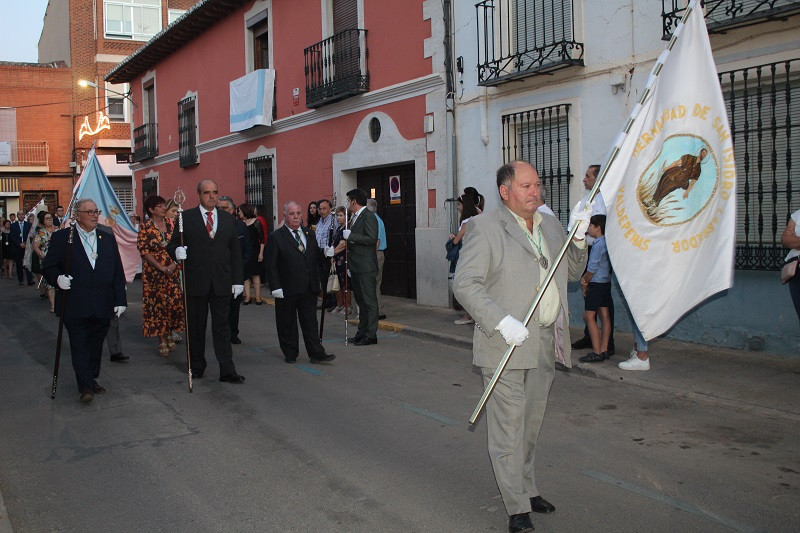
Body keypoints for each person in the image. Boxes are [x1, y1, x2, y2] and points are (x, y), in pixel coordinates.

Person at [453, 161, 589, 533]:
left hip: (542, 341)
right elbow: (465, 284)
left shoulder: (550, 224)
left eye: (538, 184)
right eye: (527, 186)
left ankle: (527, 489)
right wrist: (500, 320)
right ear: (505, 191)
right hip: (505, 344)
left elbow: (573, 271)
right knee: (507, 432)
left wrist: (578, 237)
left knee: (530, 425)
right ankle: (516, 508)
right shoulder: (483, 228)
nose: (535, 191)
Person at [42, 198, 127, 403]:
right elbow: (49, 266)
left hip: (102, 302)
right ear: (77, 215)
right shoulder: (63, 237)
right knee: (80, 344)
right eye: (89, 212)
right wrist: (58, 279)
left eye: (96, 211)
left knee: (96, 345)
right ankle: (85, 386)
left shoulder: (106, 237)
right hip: (75, 303)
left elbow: (117, 270)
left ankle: (91, 377)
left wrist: (120, 299)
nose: (94, 215)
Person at [167, 179, 245, 383]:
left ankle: (227, 370)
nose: (212, 196)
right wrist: (177, 251)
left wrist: (237, 280)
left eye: (215, 192)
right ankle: (197, 366)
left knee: (222, 327)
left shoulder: (228, 219)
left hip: (221, 281)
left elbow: (235, 252)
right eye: (207, 193)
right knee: (196, 327)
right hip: (196, 281)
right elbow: (173, 243)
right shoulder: (186, 217)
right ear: (199, 195)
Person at [265, 201, 335, 364]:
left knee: (310, 321)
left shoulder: (309, 233)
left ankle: (316, 352)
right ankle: (290, 352)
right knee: (287, 322)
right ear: (285, 216)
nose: (296, 217)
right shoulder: (277, 237)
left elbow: (314, 255)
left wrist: (325, 252)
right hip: (286, 288)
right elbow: (271, 265)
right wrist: (275, 287)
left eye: (298, 213)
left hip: (308, 287)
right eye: (292, 214)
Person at [571, 165, 615, 355]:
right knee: (589, 296)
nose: (584, 179)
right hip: (586, 247)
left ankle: (606, 344)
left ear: (597, 179)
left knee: (601, 300)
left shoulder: (604, 201)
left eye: (588, 176)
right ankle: (591, 336)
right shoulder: (585, 199)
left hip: (599, 249)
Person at [138, 195, 184, 357]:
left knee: (174, 304)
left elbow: (179, 245)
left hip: (172, 271)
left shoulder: (172, 225)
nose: (164, 208)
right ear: (151, 210)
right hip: (154, 275)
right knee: (158, 306)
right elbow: (144, 251)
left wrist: (173, 265)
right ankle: (161, 338)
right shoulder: (146, 227)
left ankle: (170, 331)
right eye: (160, 206)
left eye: (164, 205)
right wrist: (161, 267)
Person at [343, 188, 379, 345]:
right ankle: (362, 331)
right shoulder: (354, 217)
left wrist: (352, 236)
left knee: (369, 301)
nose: (347, 204)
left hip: (366, 265)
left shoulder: (368, 216)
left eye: (348, 201)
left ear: (354, 201)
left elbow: (372, 239)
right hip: (356, 265)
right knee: (360, 301)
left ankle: (371, 334)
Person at [578, 215, 613, 363]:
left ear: (598, 227)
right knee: (605, 315)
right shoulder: (608, 242)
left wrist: (585, 281)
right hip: (605, 283)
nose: (588, 228)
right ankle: (604, 349)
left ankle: (597, 351)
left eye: (590, 225)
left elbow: (592, 267)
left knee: (589, 316)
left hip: (596, 283)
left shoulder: (598, 244)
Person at [219, 196, 252, 344]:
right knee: (220, 306)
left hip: (236, 274)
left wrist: (240, 270)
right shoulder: (213, 226)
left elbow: (247, 250)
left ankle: (233, 332)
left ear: (232, 210)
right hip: (219, 273)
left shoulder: (241, 226)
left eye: (225, 208)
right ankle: (221, 332)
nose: (222, 210)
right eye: (219, 208)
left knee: (234, 306)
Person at [449, 194, 480, 325]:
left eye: (459, 204)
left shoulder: (467, 221)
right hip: (473, 255)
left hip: (466, 256)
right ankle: (470, 315)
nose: (458, 207)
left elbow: (458, 238)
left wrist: (453, 239)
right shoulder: (477, 217)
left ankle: (469, 315)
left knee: (461, 285)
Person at [238, 203, 265, 305]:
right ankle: (248, 296)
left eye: (240, 211)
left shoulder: (256, 222)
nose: (239, 213)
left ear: (245, 211)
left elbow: (262, 239)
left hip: (255, 251)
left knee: (255, 274)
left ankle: (258, 296)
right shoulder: (241, 223)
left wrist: (261, 253)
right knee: (245, 276)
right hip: (244, 252)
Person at [365, 198, 387, 320]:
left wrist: (370, 257)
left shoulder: (374, 220)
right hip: (378, 253)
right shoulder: (378, 220)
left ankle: (377, 311)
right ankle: (377, 310)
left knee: (373, 284)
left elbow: (376, 242)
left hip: (376, 254)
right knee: (375, 283)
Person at [315, 199, 338, 311]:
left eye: (324, 208)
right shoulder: (320, 221)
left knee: (330, 277)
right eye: (320, 209)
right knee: (323, 278)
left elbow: (337, 236)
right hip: (319, 252)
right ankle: (327, 301)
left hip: (328, 253)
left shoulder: (334, 221)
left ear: (330, 208)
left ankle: (334, 302)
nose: (322, 211)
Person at [32, 211, 57, 312]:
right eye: (47, 218)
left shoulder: (58, 230)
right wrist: (42, 256)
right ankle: (53, 305)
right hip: (47, 260)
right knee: (50, 283)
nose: (50, 220)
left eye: (50, 218)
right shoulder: (41, 232)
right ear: (43, 221)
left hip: (59, 259)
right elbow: (35, 246)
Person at [330, 206, 352, 315]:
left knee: (345, 285)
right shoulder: (338, 229)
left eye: (341, 215)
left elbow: (343, 244)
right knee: (338, 284)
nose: (338, 218)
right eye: (337, 215)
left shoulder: (346, 229)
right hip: (337, 260)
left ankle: (348, 306)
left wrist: (332, 252)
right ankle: (340, 304)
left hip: (344, 260)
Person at [781, 207, 800, 328]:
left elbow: (792, 240)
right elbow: (785, 240)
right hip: (797, 269)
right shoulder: (797, 215)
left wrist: (796, 240)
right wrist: (790, 239)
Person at [9, 210, 33, 286]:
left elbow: (31, 235)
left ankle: (30, 280)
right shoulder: (13, 225)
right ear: (17, 216)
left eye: (22, 214)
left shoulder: (28, 225)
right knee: (19, 265)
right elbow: (12, 237)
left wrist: (26, 243)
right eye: (19, 214)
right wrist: (19, 244)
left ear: (24, 215)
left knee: (28, 264)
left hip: (27, 247)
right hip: (17, 248)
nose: (21, 216)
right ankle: (21, 280)